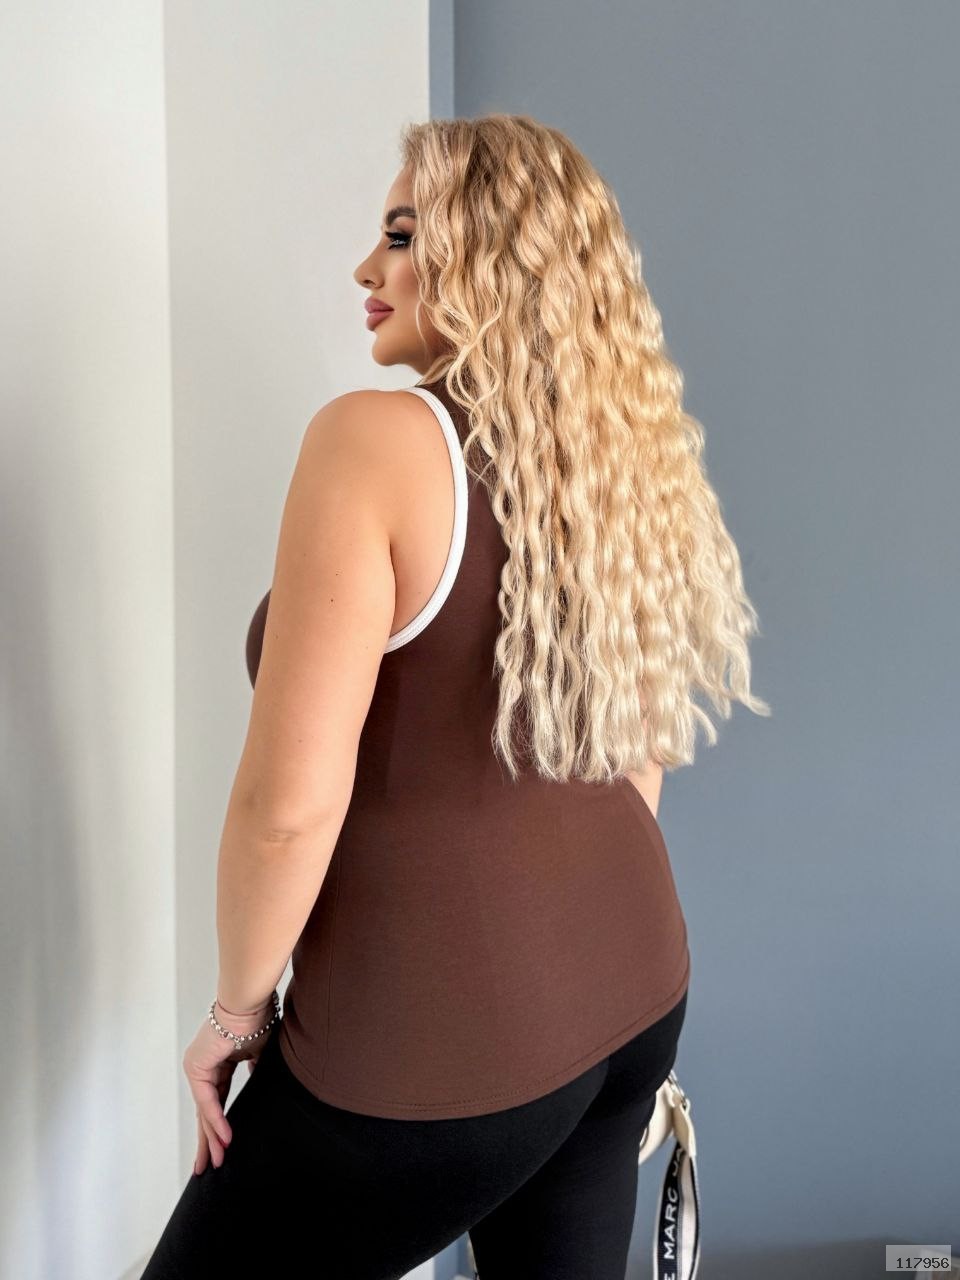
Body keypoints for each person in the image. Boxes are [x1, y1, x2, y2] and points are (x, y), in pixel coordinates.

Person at [142, 112, 769, 1279]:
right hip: (633, 987)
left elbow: (287, 809)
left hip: (435, 1055)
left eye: (399, 235)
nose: (365, 269)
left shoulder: (371, 442)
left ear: (489, 256)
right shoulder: (602, 457)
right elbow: (635, 752)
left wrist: (235, 1017)